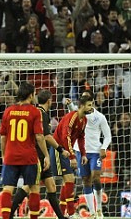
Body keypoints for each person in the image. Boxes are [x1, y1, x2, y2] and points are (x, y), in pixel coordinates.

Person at [9, 90, 69, 219]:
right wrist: (60, 149)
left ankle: (61, 217)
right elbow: (46, 136)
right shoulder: (41, 114)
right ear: (49, 101)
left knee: (51, 186)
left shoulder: (39, 112)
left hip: (40, 154)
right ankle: (9, 213)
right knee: (30, 186)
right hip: (37, 155)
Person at [0, 82, 50, 219]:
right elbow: (39, 136)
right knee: (34, 188)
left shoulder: (8, 111)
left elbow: (3, 137)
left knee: (7, 189)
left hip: (10, 155)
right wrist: (46, 155)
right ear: (31, 95)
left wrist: (4, 154)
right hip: (29, 156)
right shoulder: (34, 111)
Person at [65, 90, 111, 219]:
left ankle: (99, 209)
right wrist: (69, 105)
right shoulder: (78, 114)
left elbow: (108, 136)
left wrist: (103, 148)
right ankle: (92, 213)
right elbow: (72, 111)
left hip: (95, 152)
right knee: (86, 180)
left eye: (87, 100)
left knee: (96, 177)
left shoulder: (100, 117)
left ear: (92, 102)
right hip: (80, 151)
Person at [52, 95, 93, 217]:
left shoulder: (84, 120)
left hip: (66, 150)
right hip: (58, 149)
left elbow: (81, 138)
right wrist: (72, 157)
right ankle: (71, 213)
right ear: (81, 106)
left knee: (68, 182)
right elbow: (66, 137)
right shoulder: (72, 117)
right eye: (90, 105)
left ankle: (60, 213)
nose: (92, 107)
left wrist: (83, 154)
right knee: (69, 180)